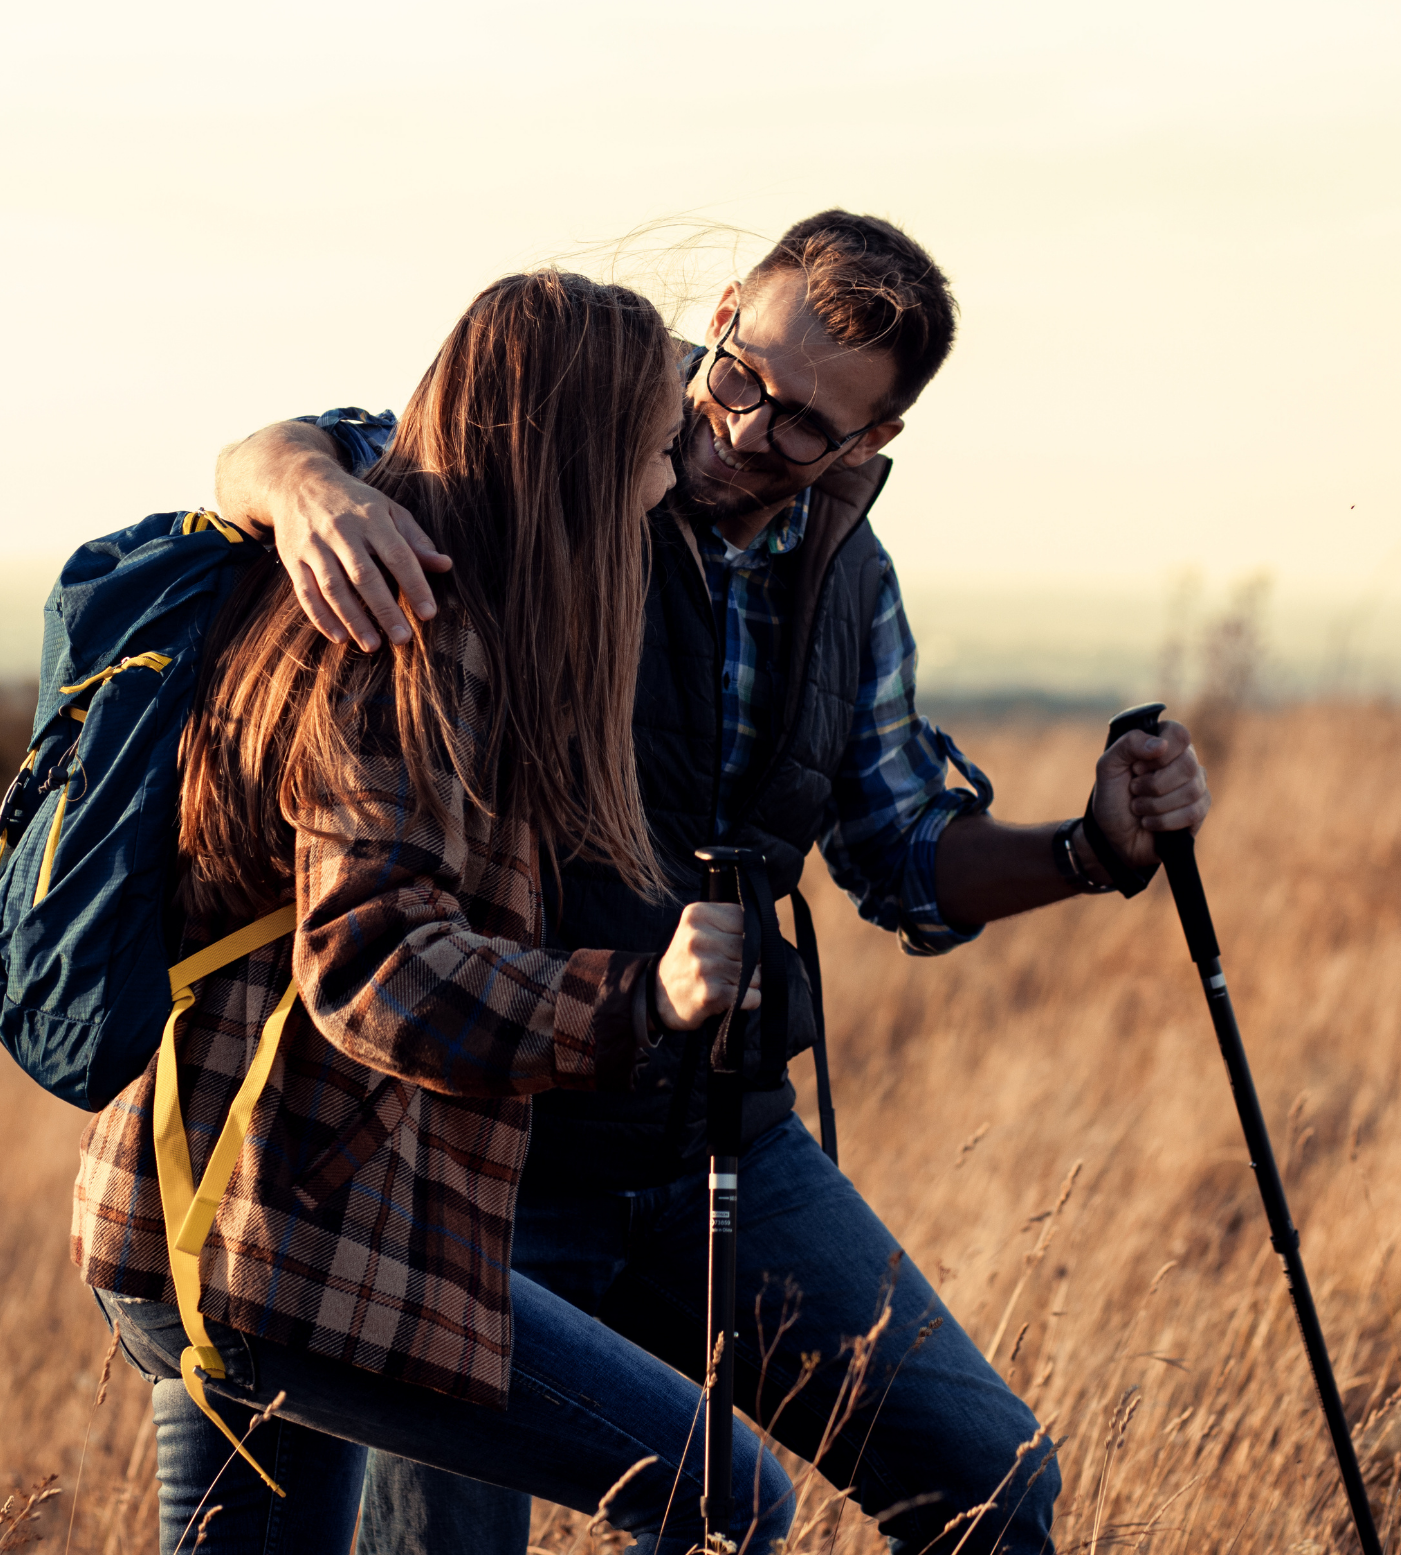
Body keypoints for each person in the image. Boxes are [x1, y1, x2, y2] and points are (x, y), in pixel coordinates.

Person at [217, 210, 1212, 1555]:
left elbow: (905, 856)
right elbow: (283, 449)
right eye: (744, 374)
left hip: (725, 1139)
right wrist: (303, 489)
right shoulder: (572, 436)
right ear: (731, 305)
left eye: (810, 424)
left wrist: (1093, 849)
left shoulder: (851, 582)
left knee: (994, 1484)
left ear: (872, 445)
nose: (749, 428)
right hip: (488, 1152)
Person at [74, 271, 796, 1555]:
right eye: (646, 447)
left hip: (209, 1211)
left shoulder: (380, 566)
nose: (660, 480)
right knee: (728, 1488)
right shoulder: (419, 628)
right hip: (288, 1243)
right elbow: (376, 966)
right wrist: (645, 997)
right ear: (573, 451)